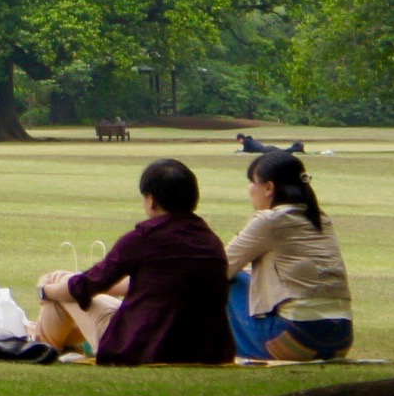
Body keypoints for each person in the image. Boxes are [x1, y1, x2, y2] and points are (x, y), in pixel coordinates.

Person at [31, 157, 233, 366]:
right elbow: (158, 285)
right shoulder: (210, 241)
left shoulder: (144, 238)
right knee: (68, 288)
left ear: (151, 200)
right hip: (207, 349)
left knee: (59, 281)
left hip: (145, 347)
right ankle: (54, 345)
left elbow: (85, 285)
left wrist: (45, 291)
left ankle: (40, 348)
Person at [223, 149, 356, 362]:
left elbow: (219, 268)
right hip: (341, 341)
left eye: (252, 182)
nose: (249, 189)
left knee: (229, 281)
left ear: (269, 188)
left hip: (296, 339)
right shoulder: (320, 219)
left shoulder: (269, 220)